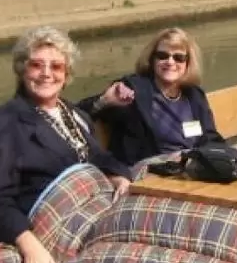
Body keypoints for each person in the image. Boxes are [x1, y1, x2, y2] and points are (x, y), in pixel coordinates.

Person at [0, 26, 133, 263]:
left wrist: (119, 175)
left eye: (56, 67)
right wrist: (29, 244)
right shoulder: (5, 122)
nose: (47, 74)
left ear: (66, 75)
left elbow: (98, 156)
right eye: (37, 65)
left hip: (95, 211)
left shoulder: (72, 114)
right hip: (57, 231)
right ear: (22, 69)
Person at [77, 27, 223, 166]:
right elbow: (77, 113)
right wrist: (105, 101)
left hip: (192, 168)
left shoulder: (194, 95)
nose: (170, 62)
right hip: (151, 172)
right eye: (162, 56)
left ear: (188, 63)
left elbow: (210, 138)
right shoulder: (134, 89)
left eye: (178, 57)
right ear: (152, 59)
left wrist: (223, 158)